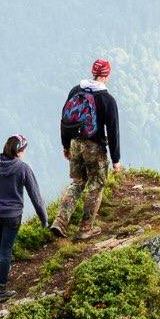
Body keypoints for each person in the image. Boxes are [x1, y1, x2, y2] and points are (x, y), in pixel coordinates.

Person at [0, 134, 49, 303]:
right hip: (12, 216)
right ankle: (1, 289)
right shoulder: (22, 168)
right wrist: (44, 219)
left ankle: (1, 270)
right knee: (6, 248)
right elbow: (35, 195)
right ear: (19, 150)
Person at [52, 58, 123, 241]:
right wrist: (116, 160)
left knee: (77, 182)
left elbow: (65, 120)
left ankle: (60, 221)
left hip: (75, 143)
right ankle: (85, 228)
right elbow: (113, 131)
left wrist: (66, 145)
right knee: (95, 185)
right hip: (94, 147)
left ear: (93, 72)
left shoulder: (76, 90)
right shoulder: (107, 99)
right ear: (107, 75)